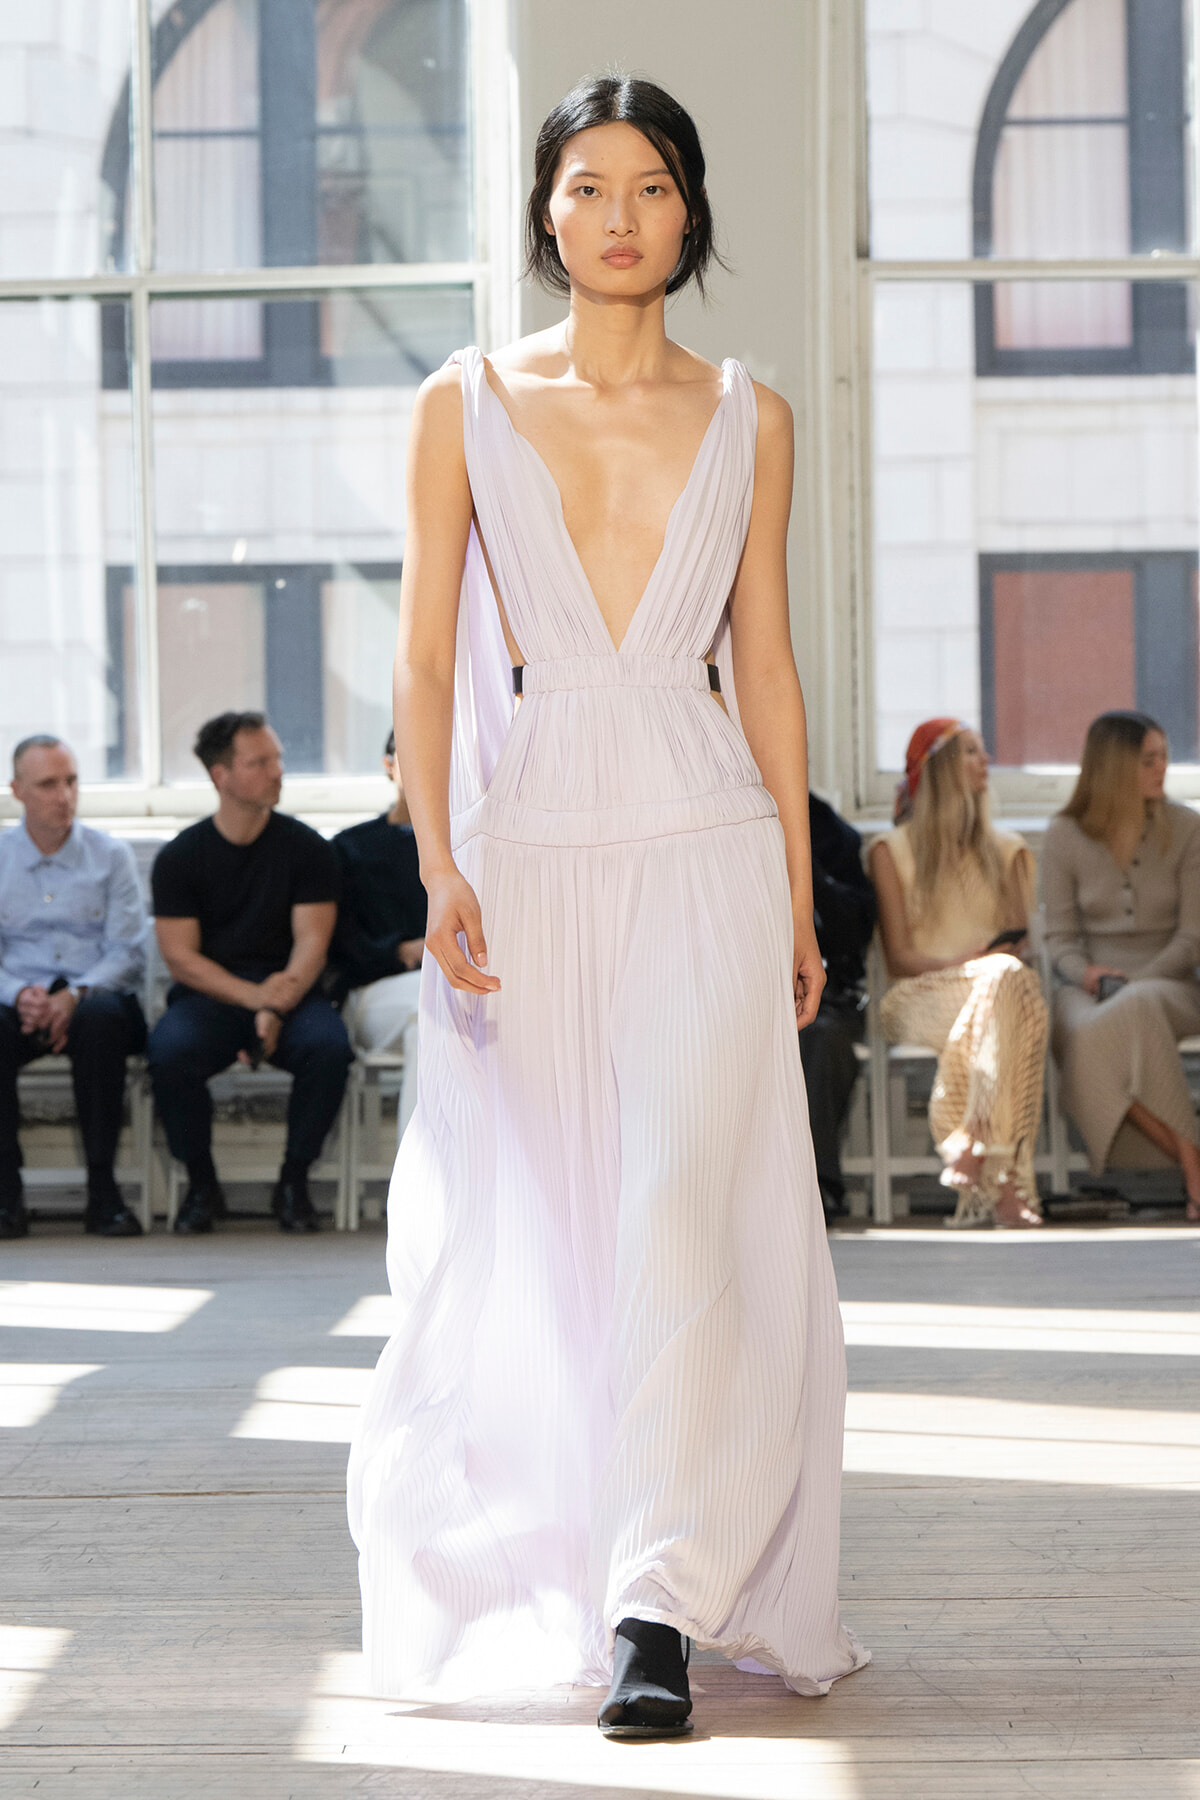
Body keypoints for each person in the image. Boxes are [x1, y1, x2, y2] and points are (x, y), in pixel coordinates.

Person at [347, 75, 867, 1737]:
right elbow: (424, 659)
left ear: (691, 215)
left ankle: (660, 1599)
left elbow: (767, 668)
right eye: (589, 184)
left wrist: (798, 894)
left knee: (673, 1204)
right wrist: (436, 865)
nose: (622, 211)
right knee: (549, 1218)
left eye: (652, 184)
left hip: (709, 841)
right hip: (537, 844)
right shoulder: (466, 403)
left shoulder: (753, 416)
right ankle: (581, 1562)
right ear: (546, 212)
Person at [147, 712, 353, 1235]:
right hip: (213, 994)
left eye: (277, 758)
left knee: (329, 1048)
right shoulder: (180, 857)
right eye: (260, 762)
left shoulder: (308, 848)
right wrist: (256, 1000)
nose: (277, 771)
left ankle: (294, 1180)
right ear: (221, 776)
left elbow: (313, 941)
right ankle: (200, 1184)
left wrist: (277, 1003)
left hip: (292, 989)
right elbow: (182, 959)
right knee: (170, 1052)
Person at [869, 718, 1046, 1229]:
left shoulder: (1010, 850)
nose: (985, 762)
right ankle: (1007, 1179)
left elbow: (1021, 948)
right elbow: (899, 958)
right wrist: (964, 966)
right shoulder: (890, 851)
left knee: (1008, 985)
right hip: (919, 995)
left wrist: (986, 969)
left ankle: (971, 1142)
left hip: (996, 992)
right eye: (971, 751)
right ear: (941, 768)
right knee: (1010, 993)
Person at [1043, 711, 1200, 1216]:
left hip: (1169, 980)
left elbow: (1193, 936)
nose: (1162, 770)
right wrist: (1086, 974)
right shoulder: (1064, 834)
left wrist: (1137, 980)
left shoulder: (1188, 828)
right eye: (1149, 760)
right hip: (1087, 984)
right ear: (1114, 768)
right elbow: (1061, 940)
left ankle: (1188, 1165)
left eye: (1165, 758)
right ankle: (1191, 1158)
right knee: (1086, 1031)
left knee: (1136, 1005)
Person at [0, 735, 148, 1240]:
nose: (63, 795)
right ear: (17, 790)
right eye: (47, 784)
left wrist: (74, 995)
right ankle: (5, 1196)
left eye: (71, 781)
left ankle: (103, 1194)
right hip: (18, 1001)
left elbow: (128, 950)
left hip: (94, 999)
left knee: (102, 1020)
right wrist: (20, 994)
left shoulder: (111, 856)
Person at [329, 731, 426, 1139]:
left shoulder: (470, 841)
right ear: (389, 766)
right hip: (374, 992)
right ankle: (426, 1187)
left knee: (434, 1025)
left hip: (457, 988)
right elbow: (340, 946)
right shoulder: (350, 847)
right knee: (434, 1016)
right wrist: (403, 951)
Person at [801, 793, 876, 1221]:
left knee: (820, 1037)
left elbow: (855, 934)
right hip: (739, 990)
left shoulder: (831, 831)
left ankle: (816, 1186)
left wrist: (809, 877)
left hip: (827, 996)